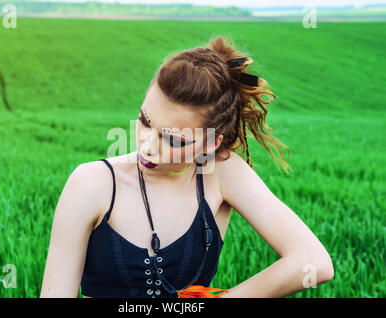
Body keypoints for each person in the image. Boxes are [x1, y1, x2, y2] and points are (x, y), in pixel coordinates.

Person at [40, 35, 334, 298]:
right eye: (144, 121)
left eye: (173, 140)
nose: (147, 145)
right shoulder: (92, 183)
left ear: (210, 143)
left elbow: (314, 262)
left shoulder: (222, 174)